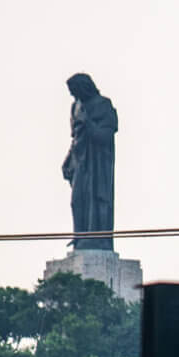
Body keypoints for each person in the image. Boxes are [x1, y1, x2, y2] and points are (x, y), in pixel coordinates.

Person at [62, 73, 118, 251]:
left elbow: (106, 135)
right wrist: (69, 158)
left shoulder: (103, 105)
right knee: (77, 200)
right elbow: (75, 137)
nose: (72, 95)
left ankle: (97, 239)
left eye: (74, 91)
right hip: (80, 161)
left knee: (97, 199)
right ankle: (80, 236)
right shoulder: (75, 107)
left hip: (98, 162)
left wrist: (88, 124)